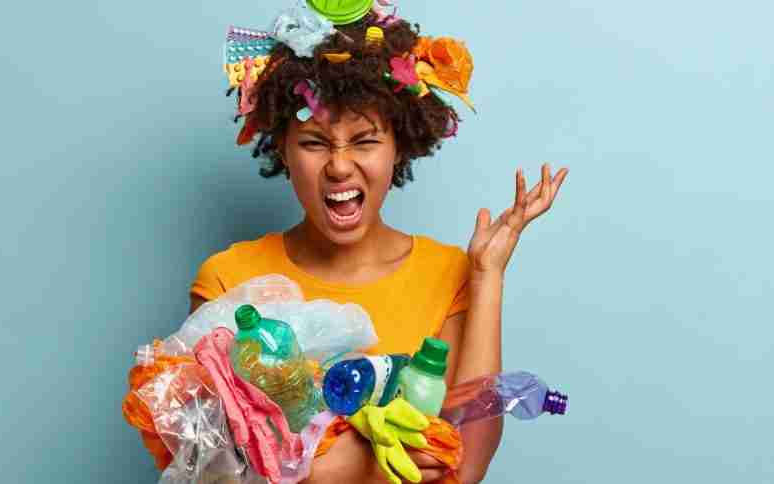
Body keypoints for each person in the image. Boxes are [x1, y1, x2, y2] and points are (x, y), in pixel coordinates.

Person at [191, 4, 568, 483]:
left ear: (400, 146)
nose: (341, 167)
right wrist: (367, 464)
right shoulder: (228, 281)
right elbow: (208, 466)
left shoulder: (450, 274)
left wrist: (487, 276)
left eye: (365, 141)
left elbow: (465, 466)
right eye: (314, 142)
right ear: (282, 147)